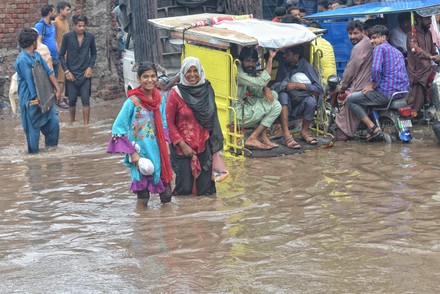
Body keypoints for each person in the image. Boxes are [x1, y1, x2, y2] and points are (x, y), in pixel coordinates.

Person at [107, 62, 173, 206]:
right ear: (138, 78)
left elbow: (164, 124)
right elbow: (118, 129)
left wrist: (166, 144)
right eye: (145, 77)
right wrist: (132, 153)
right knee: (143, 196)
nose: (150, 80)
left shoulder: (159, 100)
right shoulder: (132, 102)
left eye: (153, 76)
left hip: (159, 152)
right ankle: (142, 225)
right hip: (140, 152)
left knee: (167, 196)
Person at [166, 57, 223, 196]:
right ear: (182, 74)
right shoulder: (176, 93)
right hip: (182, 149)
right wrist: (182, 144)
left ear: (200, 71)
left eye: (195, 71)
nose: (192, 75)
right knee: (184, 188)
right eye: (188, 71)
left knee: (205, 191)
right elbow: (169, 122)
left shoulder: (207, 89)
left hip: (204, 146)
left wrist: (215, 145)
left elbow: (213, 118)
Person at [345, 25, 409, 141]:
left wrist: (373, 84)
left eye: (375, 38)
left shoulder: (380, 49)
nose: (372, 41)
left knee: (350, 99)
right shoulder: (397, 51)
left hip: (386, 93)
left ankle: (372, 127)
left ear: (383, 38)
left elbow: (375, 69)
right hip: (401, 93)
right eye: (370, 38)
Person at [14, 28, 61, 153]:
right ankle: (33, 161)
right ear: (32, 42)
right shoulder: (22, 60)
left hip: (45, 97)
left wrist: (57, 88)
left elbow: (49, 72)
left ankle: (51, 153)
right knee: (33, 136)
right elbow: (30, 82)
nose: (37, 42)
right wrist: (38, 99)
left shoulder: (37, 55)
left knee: (54, 124)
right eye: (36, 40)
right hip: (30, 101)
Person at [271, 46, 323, 149]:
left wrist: (298, 85)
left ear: (296, 55)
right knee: (283, 95)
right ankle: (286, 135)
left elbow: (319, 89)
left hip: (299, 103)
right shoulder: (283, 61)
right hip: (283, 104)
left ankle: (304, 131)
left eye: (287, 53)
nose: (284, 56)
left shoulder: (305, 66)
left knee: (311, 101)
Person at [234, 47, 281, 150]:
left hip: (242, 107)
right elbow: (260, 81)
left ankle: (262, 136)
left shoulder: (245, 71)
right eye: (248, 61)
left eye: (253, 61)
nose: (251, 64)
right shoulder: (239, 73)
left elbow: (255, 90)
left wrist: (265, 89)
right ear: (241, 61)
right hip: (235, 114)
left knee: (273, 95)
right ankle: (252, 137)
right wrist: (270, 59)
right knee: (276, 106)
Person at [334, 20, 373, 140]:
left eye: (355, 33)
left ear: (363, 32)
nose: (352, 37)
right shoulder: (369, 43)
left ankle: (343, 136)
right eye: (350, 34)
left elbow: (351, 69)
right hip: (371, 84)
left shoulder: (359, 47)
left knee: (347, 110)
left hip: (363, 86)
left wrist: (343, 85)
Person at [59, 14, 97, 125]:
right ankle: (72, 122)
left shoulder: (90, 37)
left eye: (83, 26)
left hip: (85, 73)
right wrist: (66, 72)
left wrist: (90, 67)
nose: (82, 28)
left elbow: (94, 54)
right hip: (71, 73)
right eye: (79, 26)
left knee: (86, 99)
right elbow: (61, 55)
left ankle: (86, 126)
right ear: (74, 25)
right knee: (72, 100)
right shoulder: (67, 37)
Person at [406, 13, 440, 115]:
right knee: (415, 106)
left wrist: (436, 57)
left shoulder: (428, 33)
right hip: (418, 73)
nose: (430, 21)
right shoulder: (411, 35)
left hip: (428, 70)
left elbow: (433, 51)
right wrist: (430, 57)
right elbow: (415, 49)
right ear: (419, 19)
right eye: (427, 18)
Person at [52, 1, 71, 108]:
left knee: (64, 75)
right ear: (61, 10)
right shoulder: (55, 22)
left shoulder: (66, 21)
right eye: (67, 10)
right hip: (59, 52)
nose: (69, 12)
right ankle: (59, 98)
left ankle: (63, 96)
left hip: (67, 52)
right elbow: (53, 38)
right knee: (59, 76)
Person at [34, 4, 59, 77]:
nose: (55, 14)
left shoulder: (52, 26)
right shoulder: (39, 25)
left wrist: (59, 54)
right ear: (49, 13)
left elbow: (54, 40)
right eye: (54, 12)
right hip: (46, 59)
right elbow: (38, 42)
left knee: (54, 82)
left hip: (55, 58)